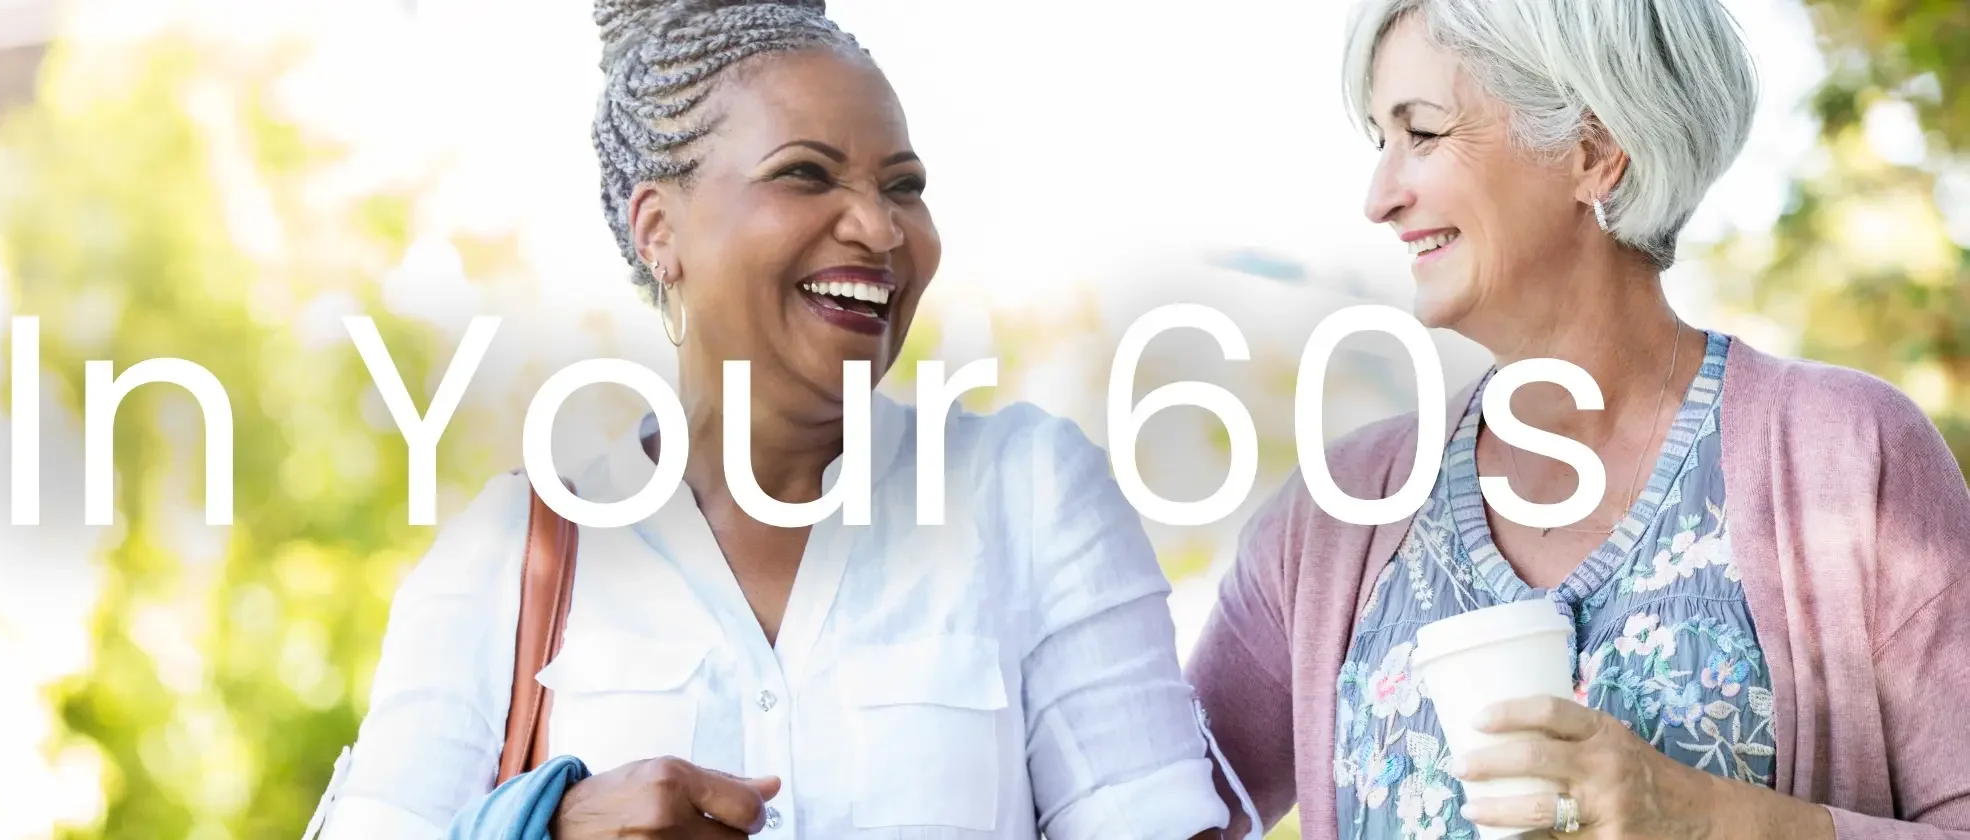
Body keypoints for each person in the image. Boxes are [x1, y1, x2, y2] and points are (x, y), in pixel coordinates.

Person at [304, 2, 1246, 838]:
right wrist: (545, 828)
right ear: (657, 229)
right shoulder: (512, 553)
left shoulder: (1029, 497)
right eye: (807, 175)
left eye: (904, 187)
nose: (879, 230)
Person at [1185, 0, 1970, 838]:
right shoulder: (1334, 519)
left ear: (1593, 151)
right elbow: (1136, 809)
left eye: (1423, 134)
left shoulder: (1849, 457)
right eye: (1381, 141)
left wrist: (1706, 819)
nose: (1379, 198)